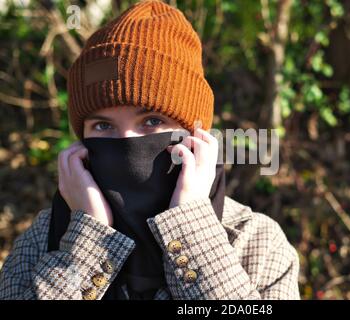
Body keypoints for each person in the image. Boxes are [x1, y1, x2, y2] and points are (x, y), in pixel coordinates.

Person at [0, 0, 300, 300]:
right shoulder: (43, 239)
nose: (127, 141)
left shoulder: (257, 243)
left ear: (196, 137)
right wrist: (85, 241)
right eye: (103, 126)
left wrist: (190, 229)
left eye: (152, 120)